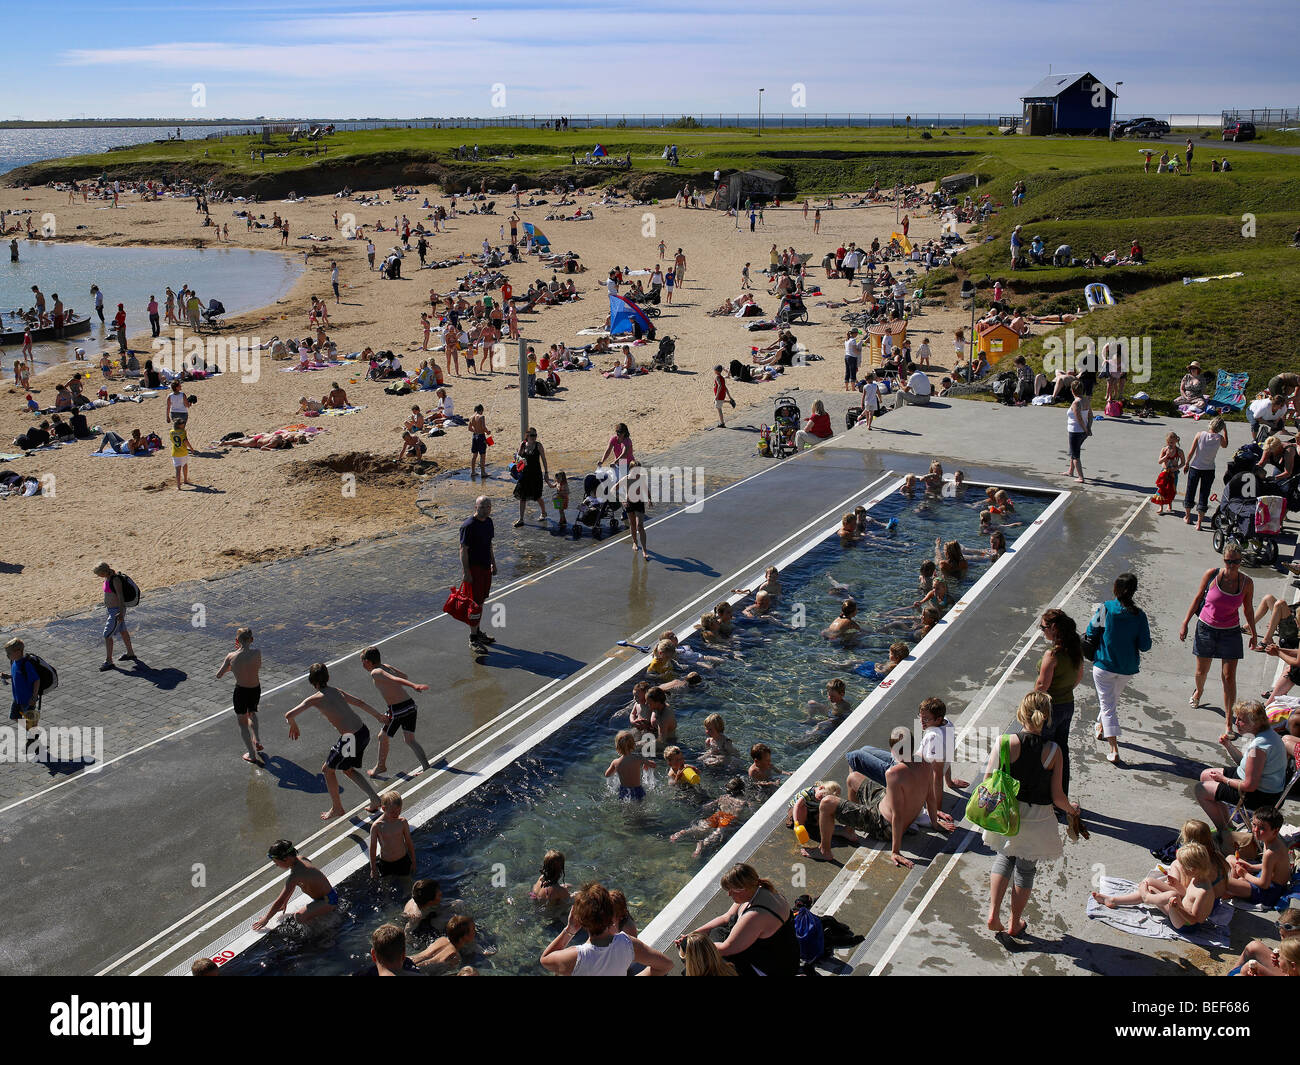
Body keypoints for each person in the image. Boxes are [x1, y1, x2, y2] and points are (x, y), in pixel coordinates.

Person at [983, 692, 1081, 937]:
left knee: (1004, 858)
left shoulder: (1004, 743)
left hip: (1007, 815)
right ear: (1046, 716)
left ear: (1021, 712)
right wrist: (1072, 810)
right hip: (1038, 819)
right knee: (1026, 870)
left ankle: (993, 914)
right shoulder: (1053, 751)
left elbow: (987, 781)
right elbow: (1057, 796)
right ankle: (1014, 923)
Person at [284, 662, 387, 820]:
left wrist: (293, 725)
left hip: (350, 738)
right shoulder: (337, 691)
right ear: (328, 677)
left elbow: (289, 714)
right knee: (348, 769)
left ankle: (337, 808)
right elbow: (360, 702)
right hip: (363, 731)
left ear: (313, 683)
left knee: (327, 770)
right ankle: (375, 799)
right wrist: (379, 716)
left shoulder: (314, 699)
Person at [1181, 547, 1259, 730]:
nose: (1232, 565)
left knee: (1229, 677)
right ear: (1223, 560)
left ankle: (1228, 723)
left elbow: (1248, 609)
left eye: (1236, 562)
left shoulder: (1247, 583)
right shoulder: (1212, 575)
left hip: (1230, 632)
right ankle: (1199, 691)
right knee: (1201, 672)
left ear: (1241, 562)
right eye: (1228, 561)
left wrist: (1254, 633)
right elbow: (1198, 597)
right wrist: (1185, 622)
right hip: (1206, 628)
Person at [677, 864, 798, 976]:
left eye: (731, 890)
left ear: (743, 888)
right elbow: (726, 917)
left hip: (774, 969)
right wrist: (693, 934)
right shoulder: (760, 890)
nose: (729, 894)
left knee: (705, 960)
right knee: (717, 931)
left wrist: (691, 946)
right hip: (783, 955)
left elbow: (726, 949)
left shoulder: (755, 916)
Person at [1195, 702, 1287, 835]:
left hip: (1261, 796)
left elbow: (1249, 786)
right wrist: (1228, 745)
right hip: (1257, 784)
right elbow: (1245, 762)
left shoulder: (1259, 746)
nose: (1236, 723)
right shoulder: (1265, 734)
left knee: (1201, 789)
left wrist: (1224, 779)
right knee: (1206, 775)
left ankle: (1225, 833)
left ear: (1255, 723)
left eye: (1241, 720)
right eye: (1236, 718)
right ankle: (1228, 825)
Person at [540, 882, 673, 976]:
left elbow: (545, 959)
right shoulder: (628, 944)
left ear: (580, 920)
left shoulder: (575, 957)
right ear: (611, 915)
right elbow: (666, 965)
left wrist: (570, 930)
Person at [361, 647, 431, 777]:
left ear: (368, 661)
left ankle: (381, 767)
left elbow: (395, 679)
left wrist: (413, 685)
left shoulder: (376, 672)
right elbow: (403, 676)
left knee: (382, 737)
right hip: (409, 705)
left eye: (363, 661)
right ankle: (426, 765)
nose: (362, 664)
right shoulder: (385, 666)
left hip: (398, 709)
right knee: (410, 739)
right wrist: (400, 680)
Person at [1036, 608, 1083, 795]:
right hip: (1067, 705)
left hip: (1049, 708)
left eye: (1043, 627)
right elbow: (1078, 677)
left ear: (1053, 627)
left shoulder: (1052, 655)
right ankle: (1061, 792)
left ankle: (1042, 793)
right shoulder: (1075, 650)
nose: (1042, 631)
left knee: (1042, 751)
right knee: (1061, 751)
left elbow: (1042, 686)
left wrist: (1030, 706)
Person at [252, 839, 337, 931]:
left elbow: (279, 901)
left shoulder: (295, 875)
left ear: (285, 859)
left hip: (328, 901)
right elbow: (292, 887)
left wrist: (266, 918)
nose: (276, 865)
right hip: (329, 896)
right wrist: (286, 901)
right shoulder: (301, 859)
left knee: (299, 917)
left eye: (276, 862)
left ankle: (322, 931)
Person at [215, 627, 264, 766]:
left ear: (237, 641)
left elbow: (219, 675)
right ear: (252, 640)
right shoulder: (257, 653)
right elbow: (257, 666)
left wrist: (232, 666)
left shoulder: (231, 656)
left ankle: (252, 754)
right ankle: (257, 740)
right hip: (255, 688)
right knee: (252, 713)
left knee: (242, 723)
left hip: (241, 691)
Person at [1227, 807, 1293, 905]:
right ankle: (1235, 887)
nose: (1255, 830)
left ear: (1275, 831)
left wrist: (1245, 874)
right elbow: (1270, 866)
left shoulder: (1270, 853)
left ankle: (1232, 889)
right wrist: (1252, 867)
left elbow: (1264, 885)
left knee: (1223, 882)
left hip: (1268, 893)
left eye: (1262, 828)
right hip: (1267, 882)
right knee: (1230, 858)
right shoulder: (1273, 842)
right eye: (1254, 825)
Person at [460, 496, 497, 651]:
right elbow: (463, 550)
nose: (485, 509)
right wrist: (466, 572)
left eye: (488, 507)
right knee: (474, 603)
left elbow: (489, 545)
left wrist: (493, 563)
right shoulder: (468, 526)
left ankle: (477, 631)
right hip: (474, 569)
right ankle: (473, 638)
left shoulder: (489, 522)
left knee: (480, 601)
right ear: (475, 507)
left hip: (484, 568)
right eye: (482, 507)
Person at [1183, 417, 1228, 529]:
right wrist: (1225, 431)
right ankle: (1199, 523)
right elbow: (1225, 445)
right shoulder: (1219, 438)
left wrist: (1187, 463)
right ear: (1220, 428)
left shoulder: (1200, 434)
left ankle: (1188, 517)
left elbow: (1191, 451)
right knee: (1204, 493)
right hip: (1209, 469)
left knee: (1190, 490)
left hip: (1195, 467)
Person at [93, 561, 137, 670]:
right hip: (111, 610)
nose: (98, 576)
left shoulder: (115, 580)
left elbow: (121, 597)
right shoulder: (107, 578)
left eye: (98, 574)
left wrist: (121, 613)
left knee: (107, 634)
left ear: (103, 572)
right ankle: (130, 653)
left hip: (116, 611)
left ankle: (109, 661)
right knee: (122, 630)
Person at [369, 790, 416, 887]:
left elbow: (409, 842)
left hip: (402, 859)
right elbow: (372, 848)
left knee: (408, 883)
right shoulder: (377, 826)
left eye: (399, 810)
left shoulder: (402, 822)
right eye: (393, 812)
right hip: (386, 863)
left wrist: (413, 860)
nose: (397, 814)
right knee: (386, 886)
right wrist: (373, 868)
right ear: (383, 808)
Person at [4, 638, 42, 748]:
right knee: (14, 716)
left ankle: (33, 740)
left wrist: (34, 697)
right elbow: (18, 676)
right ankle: (33, 731)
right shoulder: (14, 662)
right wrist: (8, 676)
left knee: (29, 719)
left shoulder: (26, 665)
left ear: (18, 651)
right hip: (17, 698)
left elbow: (36, 680)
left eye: (9, 653)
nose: (7, 656)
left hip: (28, 700)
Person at [512, 427, 551, 527]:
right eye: (532, 435)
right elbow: (517, 458)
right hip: (524, 475)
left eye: (535, 435)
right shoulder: (522, 444)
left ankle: (543, 512)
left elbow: (544, 459)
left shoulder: (538, 446)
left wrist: (546, 472)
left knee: (537, 496)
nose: (534, 437)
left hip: (536, 475)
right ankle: (521, 519)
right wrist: (518, 458)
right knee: (522, 497)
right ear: (527, 436)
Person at [605, 729, 654, 801]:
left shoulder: (615, 762)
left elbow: (607, 774)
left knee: (625, 808)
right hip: (638, 790)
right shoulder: (638, 759)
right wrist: (646, 763)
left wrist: (616, 770)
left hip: (624, 791)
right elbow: (653, 765)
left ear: (617, 747)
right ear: (633, 745)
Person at [1064, 380, 1091, 483]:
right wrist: (1088, 428)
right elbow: (1090, 415)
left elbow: (1079, 418)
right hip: (1083, 432)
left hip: (1075, 431)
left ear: (1072, 390)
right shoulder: (1086, 400)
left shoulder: (1076, 403)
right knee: (1074, 450)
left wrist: (1085, 429)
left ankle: (1081, 477)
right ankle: (1070, 471)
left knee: (1075, 454)